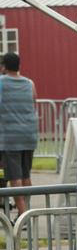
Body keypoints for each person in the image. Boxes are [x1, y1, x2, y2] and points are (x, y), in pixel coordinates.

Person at [0, 52, 38, 214]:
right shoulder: (29, 83)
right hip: (29, 134)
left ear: (3, 67)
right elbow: (34, 100)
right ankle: (28, 209)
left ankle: (24, 216)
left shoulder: (1, 83)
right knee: (25, 174)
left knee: (15, 178)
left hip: (10, 137)